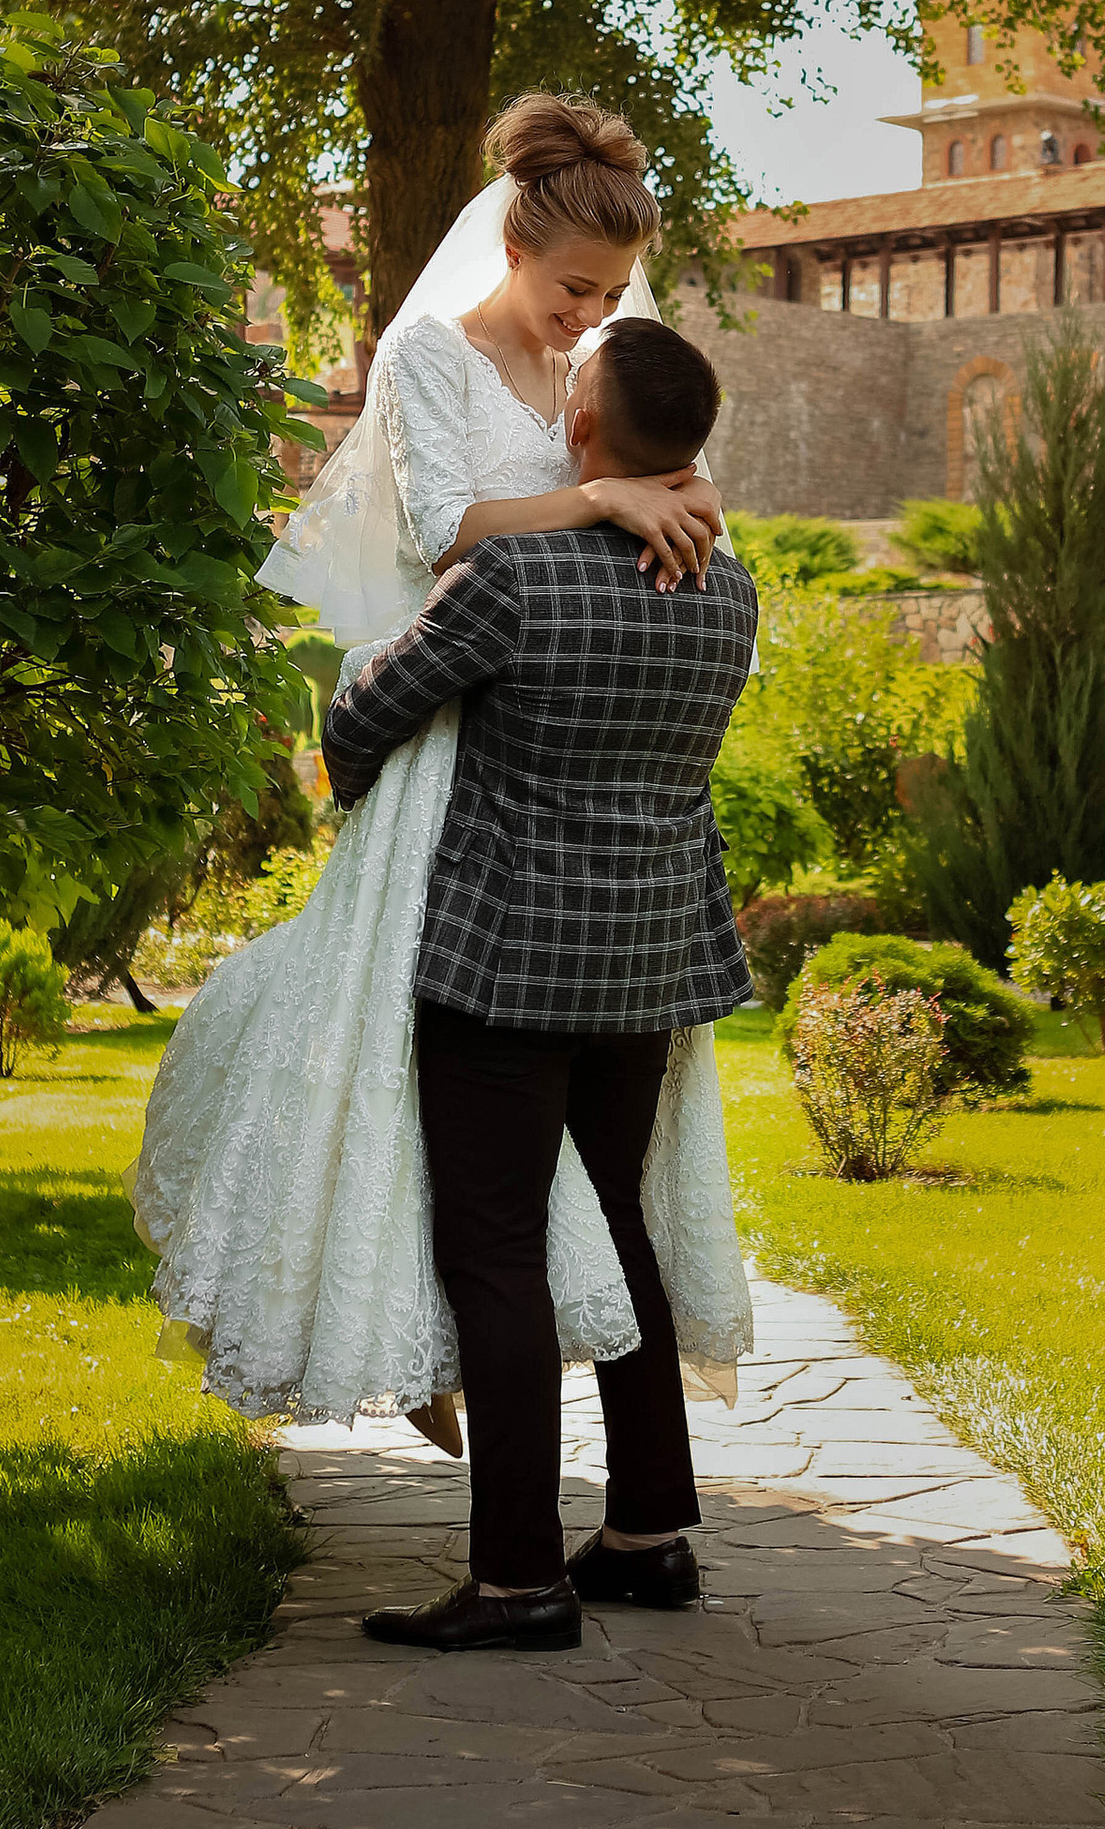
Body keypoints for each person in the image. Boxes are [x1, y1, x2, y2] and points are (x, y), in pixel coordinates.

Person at [132, 94, 755, 1442]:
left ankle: (481, 1360)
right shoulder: (429, 350)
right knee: (391, 1068)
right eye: (569, 290)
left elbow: (657, 481)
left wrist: (674, 501)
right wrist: (600, 498)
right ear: (513, 251)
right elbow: (439, 527)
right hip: (452, 737)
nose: (587, 319)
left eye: (611, 296)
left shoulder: (599, 373)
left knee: (544, 1145)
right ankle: (430, 1340)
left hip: (559, 754)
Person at [322, 316, 759, 1649]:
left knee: (498, 1250)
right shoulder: (730, 589)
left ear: (580, 434)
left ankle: (517, 1577)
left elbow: (362, 721)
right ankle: (648, 1535)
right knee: (617, 1221)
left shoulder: (513, 578)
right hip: (652, 958)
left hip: (505, 959)